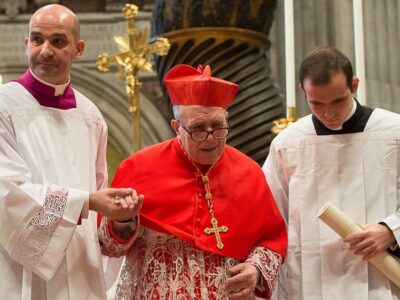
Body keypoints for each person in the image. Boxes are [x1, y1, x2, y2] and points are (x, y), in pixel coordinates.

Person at [98, 64, 287, 299]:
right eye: (198, 129)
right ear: (177, 127)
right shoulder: (138, 168)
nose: (210, 138)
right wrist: (123, 220)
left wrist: (255, 269)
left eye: (218, 127)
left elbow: (271, 240)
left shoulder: (248, 171)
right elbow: (108, 246)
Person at [0, 4, 142, 300]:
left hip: (81, 267)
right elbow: (8, 194)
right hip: (18, 271)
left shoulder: (91, 117)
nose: (45, 50)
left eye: (58, 41)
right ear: (26, 44)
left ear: (78, 49)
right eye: (37, 40)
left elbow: (101, 198)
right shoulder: (5, 106)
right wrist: (88, 202)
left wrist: (119, 219)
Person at [263, 46, 400, 300]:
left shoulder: (394, 133)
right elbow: (269, 218)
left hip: (380, 281)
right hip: (310, 284)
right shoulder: (288, 144)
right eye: (316, 103)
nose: (328, 112)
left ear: (355, 85)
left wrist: (391, 230)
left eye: (338, 100)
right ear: (303, 91)